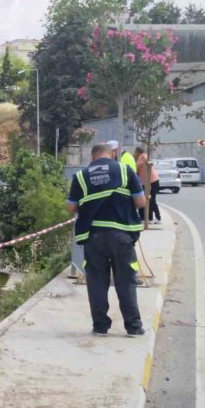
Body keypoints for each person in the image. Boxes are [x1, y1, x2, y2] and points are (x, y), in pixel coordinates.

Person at [66, 142, 147, 336]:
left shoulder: (81, 176)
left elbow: (70, 207)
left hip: (94, 237)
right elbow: (141, 201)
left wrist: (87, 208)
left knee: (96, 282)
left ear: (92, 157)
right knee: (126, 281)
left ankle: (100, 326)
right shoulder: (125, 170)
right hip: (122, 235)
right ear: (111, 154)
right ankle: (133, 327)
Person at [134, 146, 160, 223]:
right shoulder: (140, 157)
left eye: (135, 152)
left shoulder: (143, 156)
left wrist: (135, 161)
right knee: (147, 199)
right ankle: (147, 217)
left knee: (151, 200)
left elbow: (136, 166)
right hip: (146, 182)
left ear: (138, 152)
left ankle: (154, 218)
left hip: (152, 181)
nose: (134, 153)